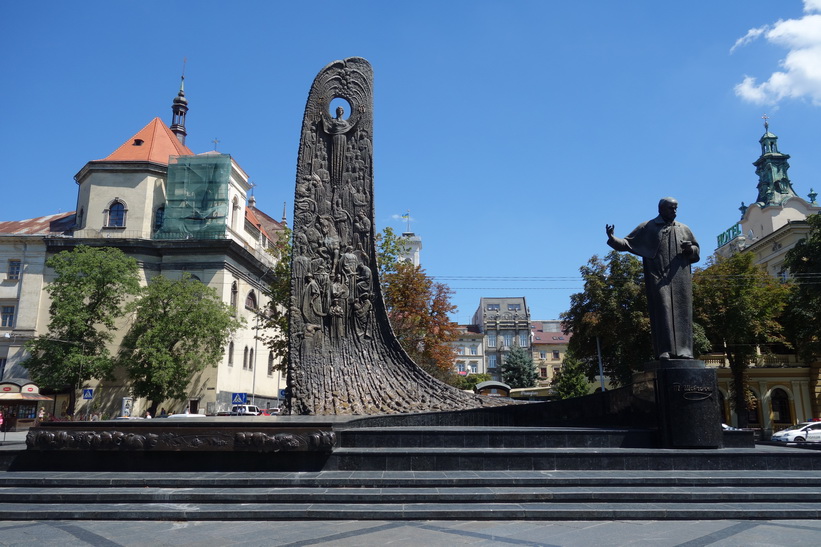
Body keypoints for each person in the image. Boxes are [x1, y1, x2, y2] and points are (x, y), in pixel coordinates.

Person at [606, 197, 700, 360]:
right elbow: (627, 244)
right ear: (661, 209)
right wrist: (612, 237)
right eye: (671, 208)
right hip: (659, 276)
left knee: (683, 311)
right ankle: (665, 350)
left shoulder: (684, 228)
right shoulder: (648, 226)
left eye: (676, 208)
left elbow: (696, 250)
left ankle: (685, 350)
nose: (674, 211)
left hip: (680, 277)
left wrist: (689, 249)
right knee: (662, 310)